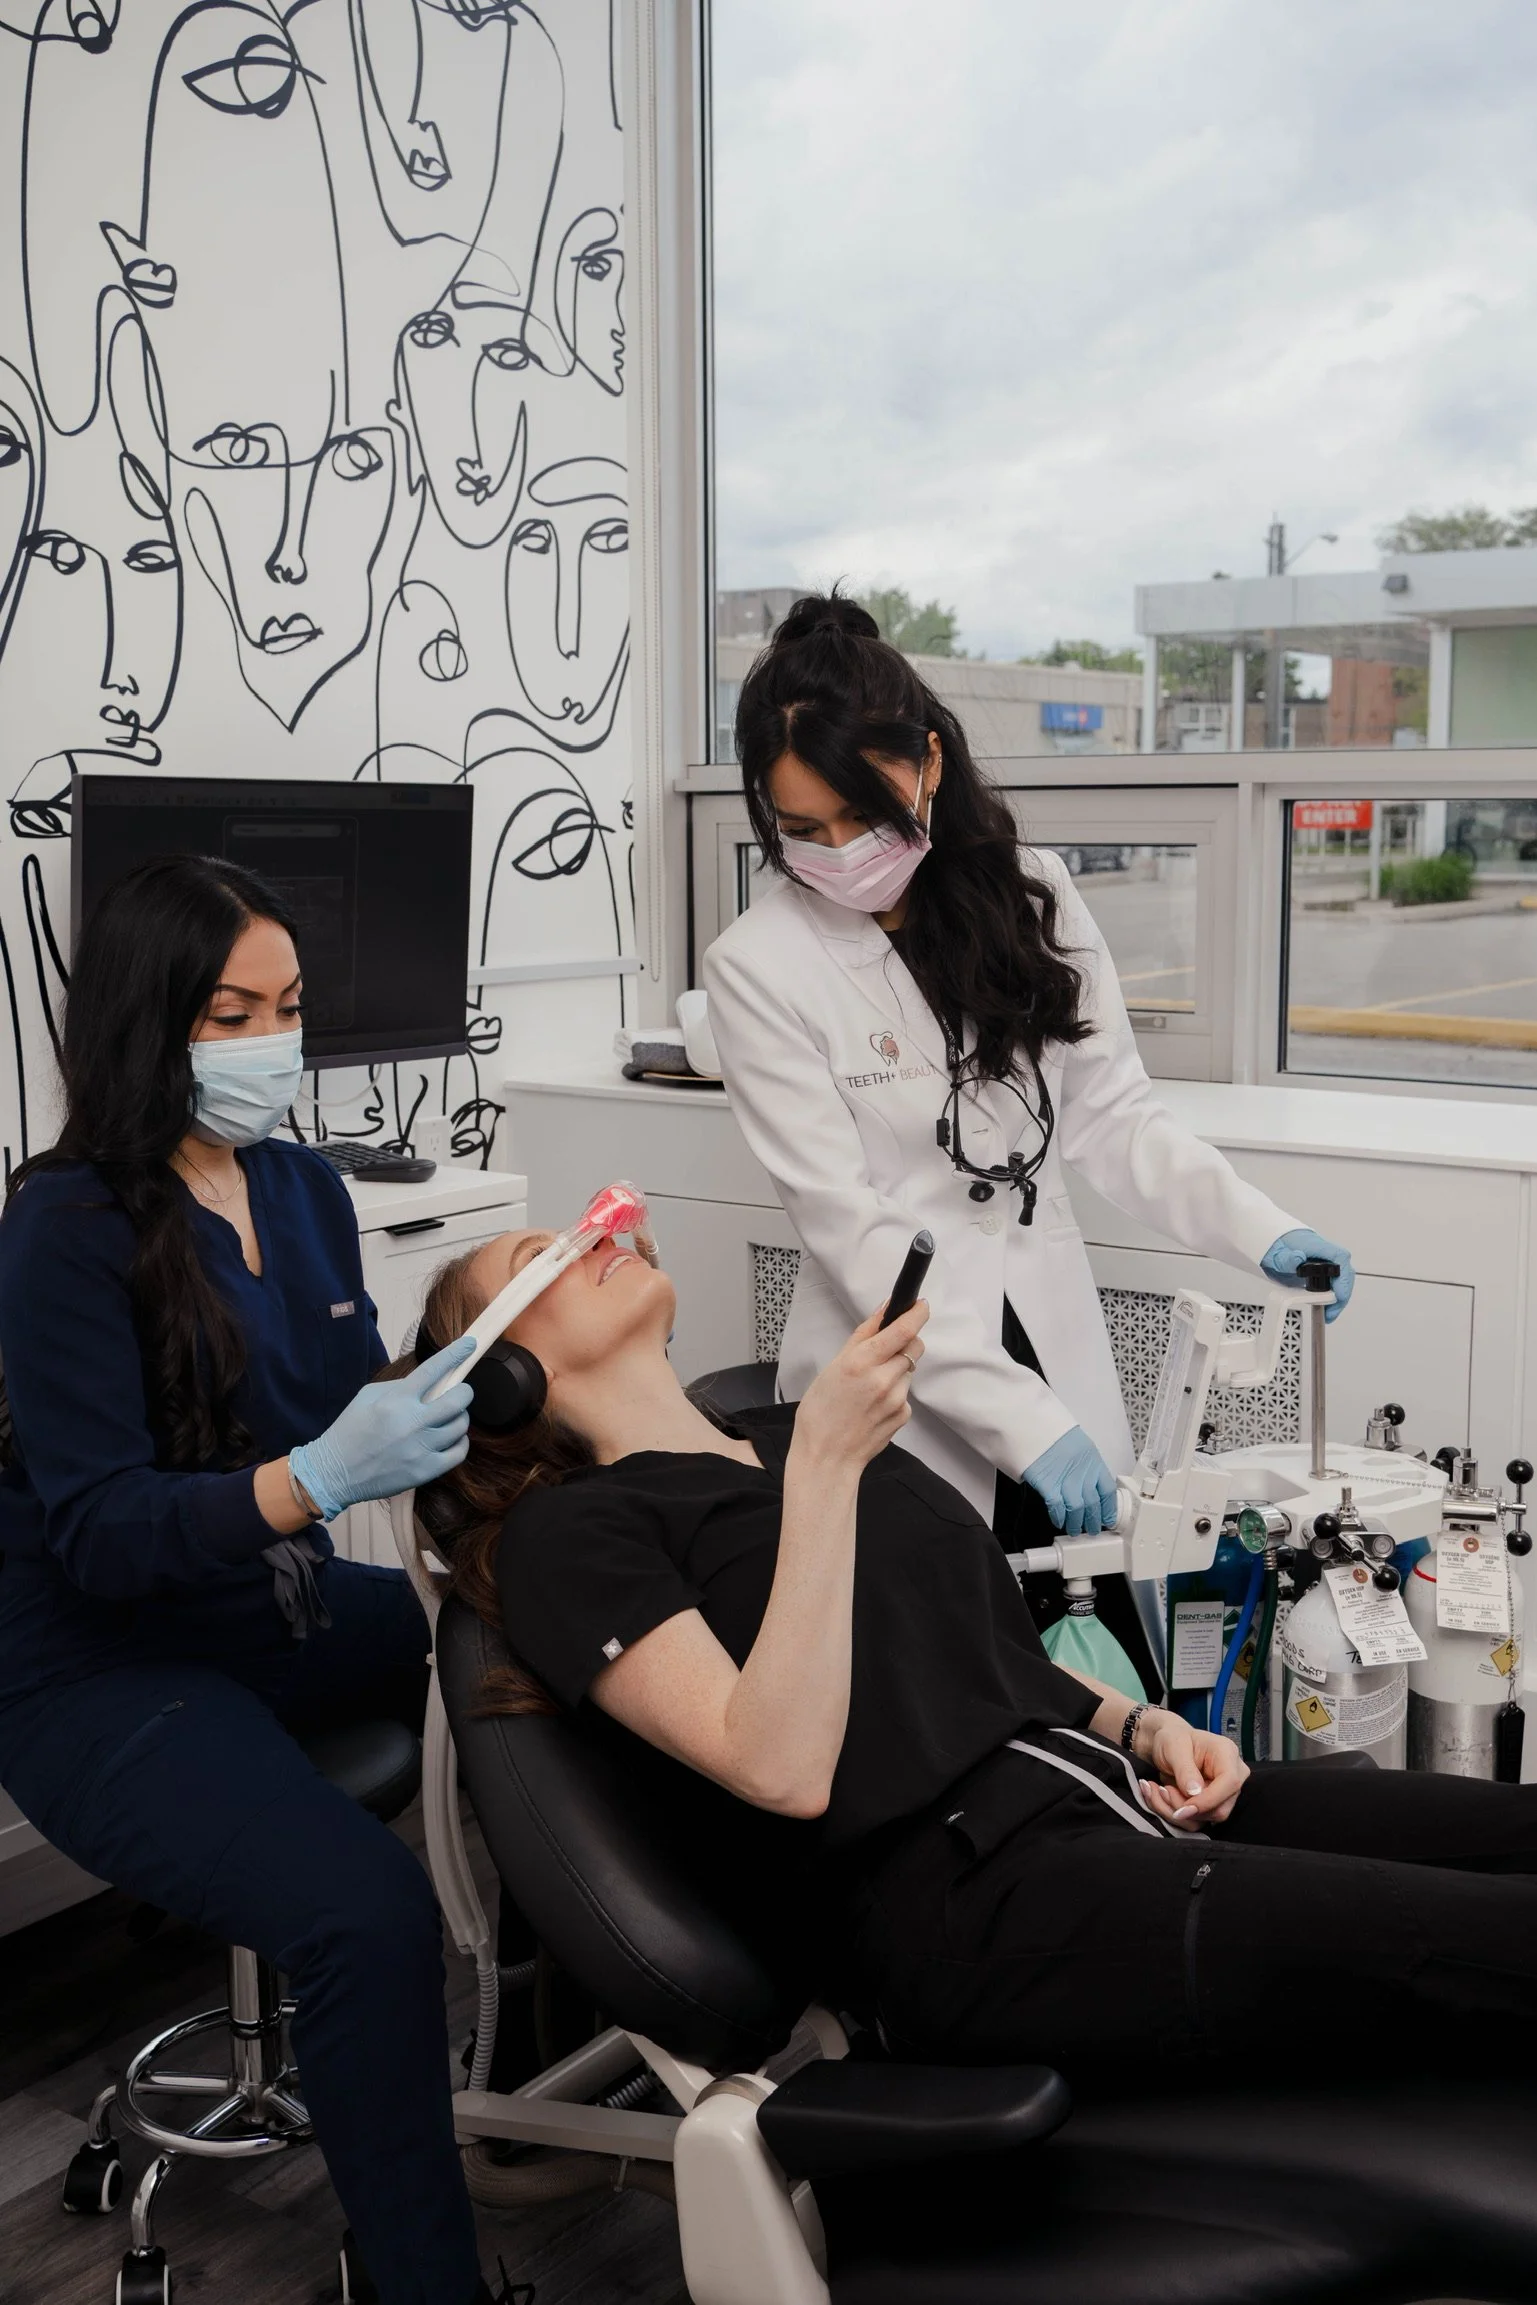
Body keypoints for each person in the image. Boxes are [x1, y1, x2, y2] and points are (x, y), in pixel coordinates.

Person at [406, 1223, 1537, 2091]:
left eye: (591, 1227)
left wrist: (1146, 1725)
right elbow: (775, 1766)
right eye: (543, 1254)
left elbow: (987, 1647)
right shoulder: (573, 1532)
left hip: (1112, 1794)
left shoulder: (795, 1429)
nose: (597, 1234)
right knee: (1487, 1944)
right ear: (499, 1368)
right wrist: (826, 1474)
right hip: (977, 1905)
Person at [0, 856, 512, 2305]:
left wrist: (463, 1372)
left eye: (287, 1009)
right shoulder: (65, 1230)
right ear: (147, 1018)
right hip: (94, 1665)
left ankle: (521, 2077)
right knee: (366, 1915)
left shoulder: (299, 1187)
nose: (269, 1043)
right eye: (231, 1015)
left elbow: (342, 1395)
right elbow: (105, 1535)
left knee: (528, 1655)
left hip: (256, 1607)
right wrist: (316, 1479)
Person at [702, 592, 1353, 1606]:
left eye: (863, 815)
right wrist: (1024, 1422)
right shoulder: (756, 965)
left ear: (928, 761)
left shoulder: (1030, 893)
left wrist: (1261, 1230)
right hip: (898, 1369)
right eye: (802, 829)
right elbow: (849, 1227)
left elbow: (1112, 1115)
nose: (839, 851)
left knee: (1094, 1632)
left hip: (1046, 1328)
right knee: (935, 1645)